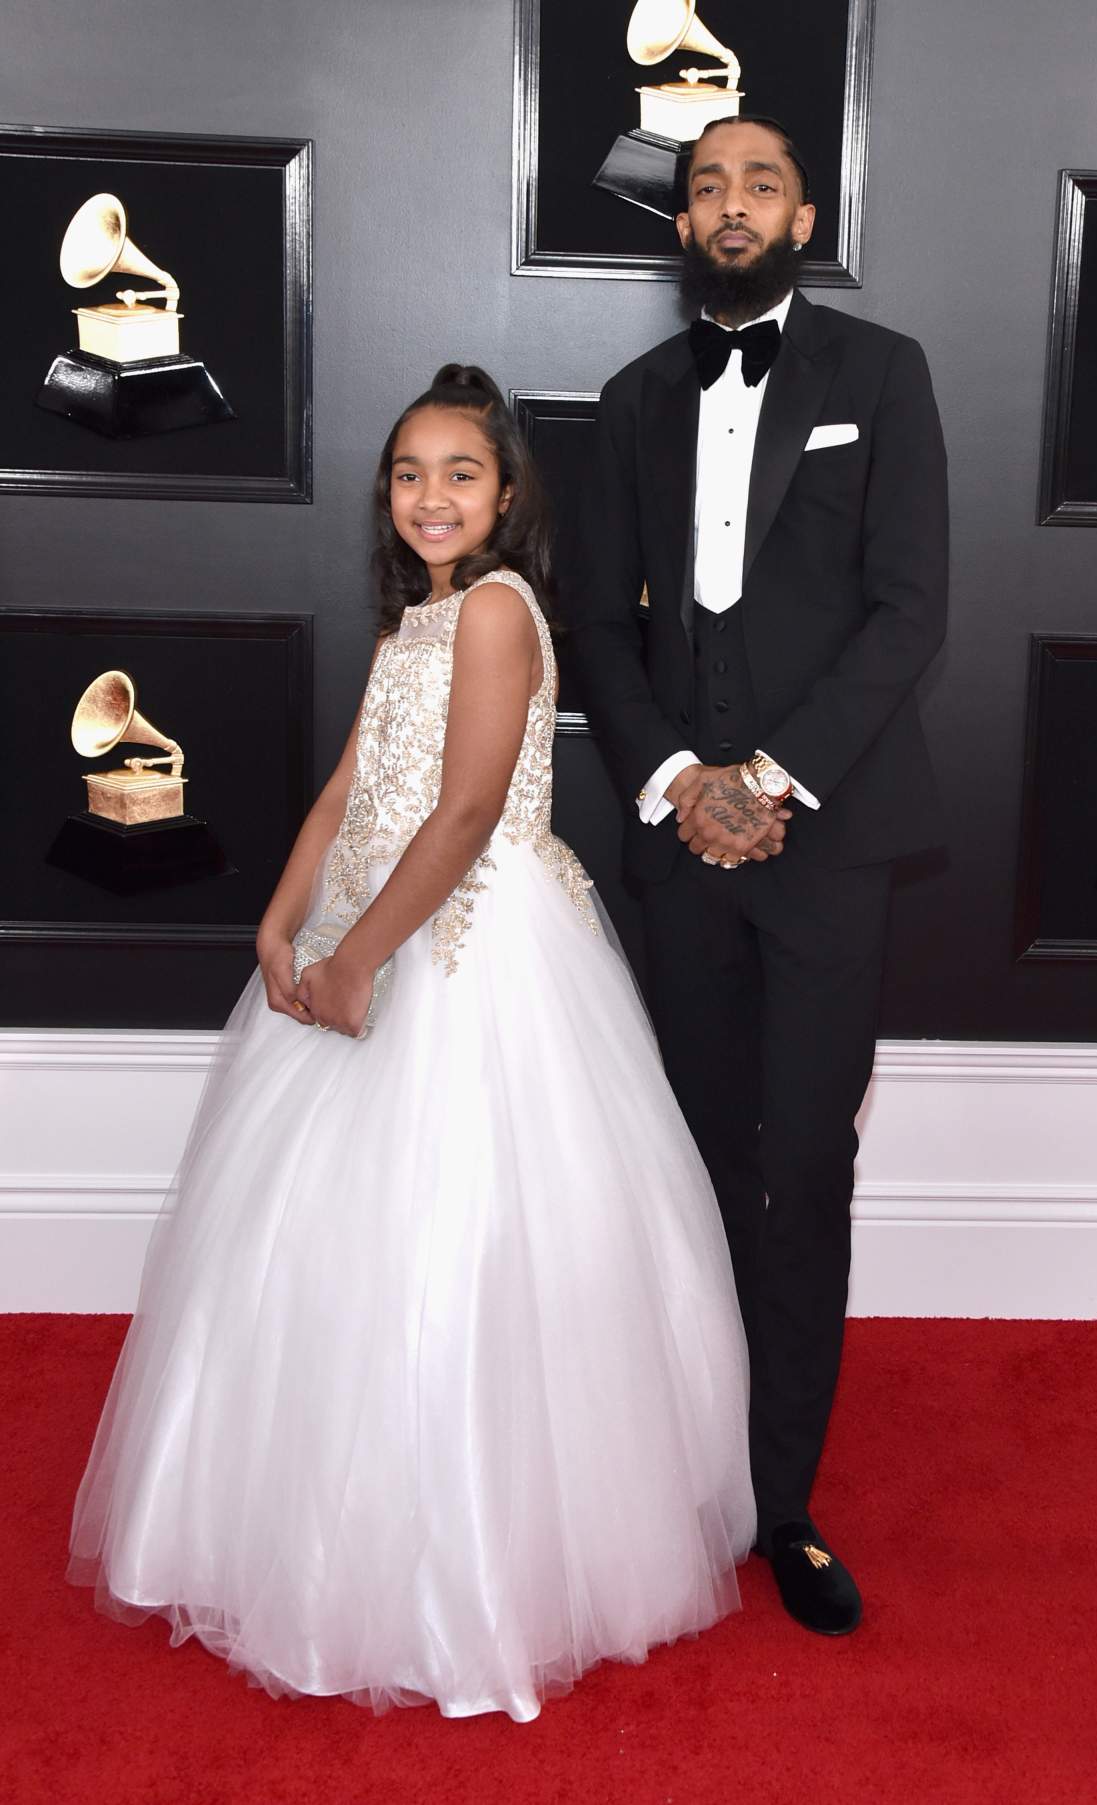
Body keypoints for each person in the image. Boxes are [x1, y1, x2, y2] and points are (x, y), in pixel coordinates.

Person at [67, 365, 755, 1721]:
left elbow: (465, 814)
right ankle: (305, 1530)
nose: (431, 496)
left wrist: (358, 960)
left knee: (457, 1239)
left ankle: (471, 1577)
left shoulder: (497, 611)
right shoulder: (416, 620)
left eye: (460, 473)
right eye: (407, 473)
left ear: (506, 495)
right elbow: (346, 789)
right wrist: (281, 926)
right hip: (360, 931)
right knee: (318, 1245)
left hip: (464, 952)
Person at [572, 117, 948, 1636]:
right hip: (678, 845)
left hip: (828, 842)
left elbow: (910, 610)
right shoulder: (630, 402)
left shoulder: (885, 374)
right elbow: (599, 628)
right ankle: (691, 1470)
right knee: (695, 1161)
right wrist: (682, 782)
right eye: (707, 185)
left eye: (762, 184)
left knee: (804, 1165)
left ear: (804, 217)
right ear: (683, 224)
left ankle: (782, 1502)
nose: (732, 204)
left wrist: (774, 781)